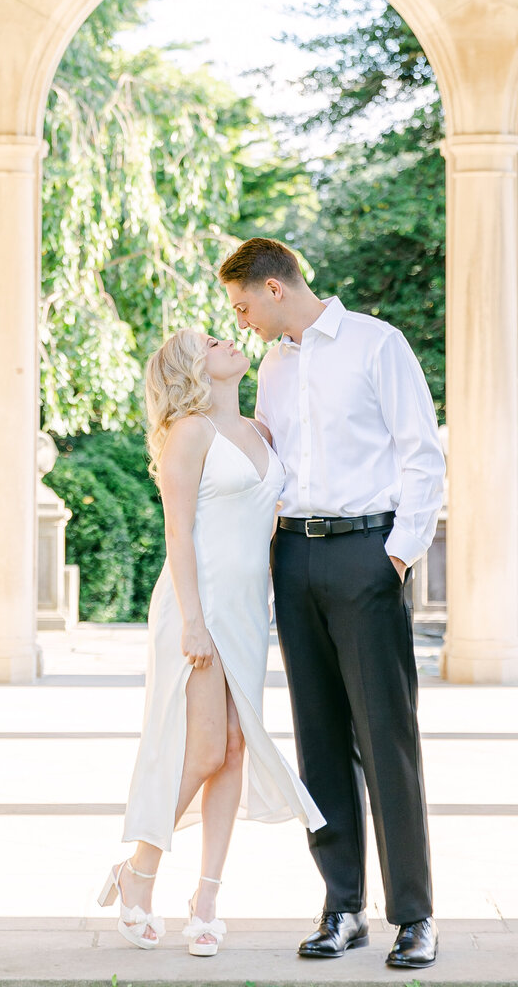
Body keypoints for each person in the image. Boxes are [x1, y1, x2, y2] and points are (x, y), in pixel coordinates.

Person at [220, 237, 444, 971]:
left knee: (387, 739)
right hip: (296, 554)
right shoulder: (275, 367)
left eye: (244, 305)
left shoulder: (379, 345)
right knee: (318, 740)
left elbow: (421, 454)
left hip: (366, 554)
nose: (242, 321)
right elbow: (275, 460)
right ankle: (342, 907)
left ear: (275, 288)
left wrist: (399, 555)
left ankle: (413, 916)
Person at [101, 326, 324, 953]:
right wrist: (194, 619)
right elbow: (178, 535)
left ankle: (206, 900)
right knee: (202, 748)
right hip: (195, 605)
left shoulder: (261, 432)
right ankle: (137, 873)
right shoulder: (188, 432)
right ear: (193, 369)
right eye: (212, 342)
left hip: (250, 609)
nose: (229, 341)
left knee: (233, 748)